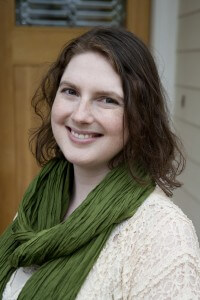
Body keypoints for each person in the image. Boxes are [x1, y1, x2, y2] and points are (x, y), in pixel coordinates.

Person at [0, 27, 200, 300]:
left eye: (107, 100)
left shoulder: (162, 236)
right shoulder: (39, 198)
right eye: (70, 91)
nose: (80, 115)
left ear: (139, 114)